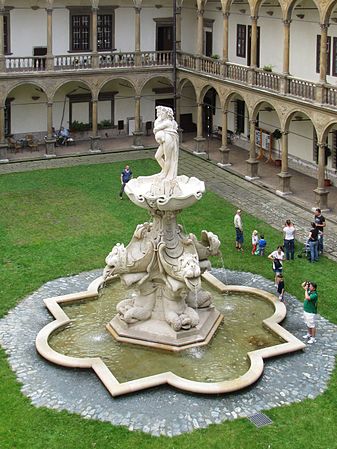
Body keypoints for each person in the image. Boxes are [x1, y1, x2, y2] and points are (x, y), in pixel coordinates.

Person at [153, 105, 179, 181]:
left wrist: (156, 130)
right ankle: (165, 171)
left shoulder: (168, 122)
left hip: (168, 139)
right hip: (164, 140)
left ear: (167, 114)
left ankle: (165, 173)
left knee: (168, 158)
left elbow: (156, 128)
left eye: (162, 113)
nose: (161, 115)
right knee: (157, 156)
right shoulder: (165, 121)